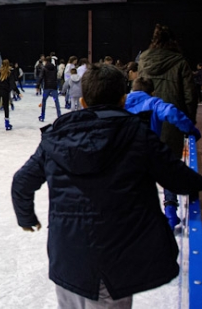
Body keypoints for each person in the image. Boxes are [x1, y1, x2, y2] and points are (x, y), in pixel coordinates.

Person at [11, 63, 202, 309]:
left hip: (69, 259)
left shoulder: (58, 136)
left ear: (83, 103)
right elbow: (178, 179)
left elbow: (22, 182)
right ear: (123, 101)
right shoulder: (137, 134)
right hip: (116, 261)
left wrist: (26, 218)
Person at [138, 24, 198, 227]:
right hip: (172, 119)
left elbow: (137, 87)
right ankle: (170, 210)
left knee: (145, 164)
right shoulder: (180, 61)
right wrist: (188, 123)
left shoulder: (144, 58)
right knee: (168, 164)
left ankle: (146, 212)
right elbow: (190, 95)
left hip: (145, 117)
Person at [0, 59, 21, 131]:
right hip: (5, 91)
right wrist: (18, 92)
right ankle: (7, 124)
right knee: (6, 107)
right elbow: (12, 84)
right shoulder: (9, 73)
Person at [37, 57, 61, 122]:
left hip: (47, 87)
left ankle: (42, 116)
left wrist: (38, 85)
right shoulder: (55, 68)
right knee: (56, 101)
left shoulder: (44, 68)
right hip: (54, 87)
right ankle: (59, 116)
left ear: (46, 61)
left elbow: (40, 77)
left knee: (44, 101)